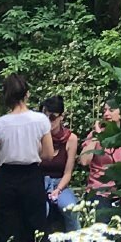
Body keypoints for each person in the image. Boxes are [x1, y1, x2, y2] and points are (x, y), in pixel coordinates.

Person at [0, 75, 55, 242]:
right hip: (31, 177)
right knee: (35, 228)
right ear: (27, 94)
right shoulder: (40, 120)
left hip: (6, 179)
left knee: (8, 232)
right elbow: (48, 154)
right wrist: (32, 150)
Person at [39, 95, 81, 228]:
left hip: (60, 183)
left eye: (52, 117)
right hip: (39, 182)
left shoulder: (71, 139)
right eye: (45, 118)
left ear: (61, 116)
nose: (49, 122)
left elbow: (68, 173)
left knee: (71, 209)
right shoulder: (38, 137)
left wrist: (58, 189)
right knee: (39, 212)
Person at [77, 105, 121, 215]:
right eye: (104, 111)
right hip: (99, 192)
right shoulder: (96, 134)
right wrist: (97, 136)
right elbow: (84, 161)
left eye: (111, 110)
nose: (106, 114)